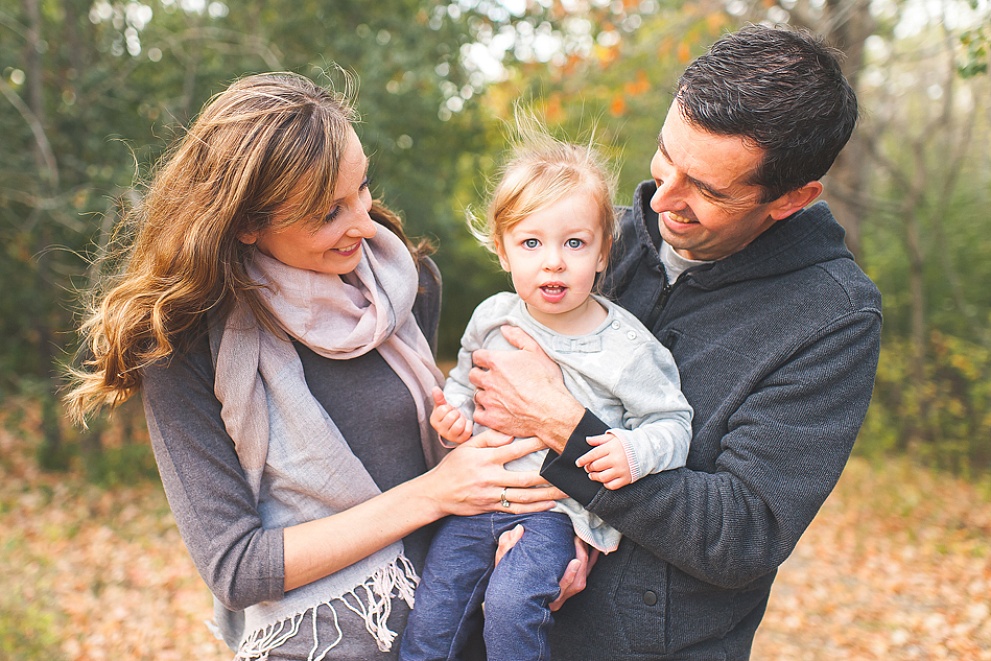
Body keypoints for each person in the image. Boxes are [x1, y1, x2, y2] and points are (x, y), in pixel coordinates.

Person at [62, 72, 569, 660]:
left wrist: (549, 534)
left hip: (454, 618)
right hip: (320, 643)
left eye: (363, 188)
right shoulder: (181, 345)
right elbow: (235, 566)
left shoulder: (406, 286)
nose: (363, 222)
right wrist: (433, 494)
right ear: (248, 223)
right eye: (329, 211)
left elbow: (468, 450)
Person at [464, 25, 883, 659]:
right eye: (666, 157)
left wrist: (565, 429)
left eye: (709, 190)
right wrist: (527, 518)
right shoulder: (597, 246)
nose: (663, 199)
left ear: (791, 200)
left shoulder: (833, 317)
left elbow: (743, 534)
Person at [399, 121, 693, 661]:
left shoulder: (628, 347)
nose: (553, 260)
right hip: (476, 501)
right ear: (504, 252)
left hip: (555, 513)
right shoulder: (492, 317)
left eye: (574, 243)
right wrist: (455, 415)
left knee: (513, 610)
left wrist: (630, 452)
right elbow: (465, 382)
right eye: (531, 242)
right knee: (432, 619)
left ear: (603, 253)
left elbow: (673, 424)